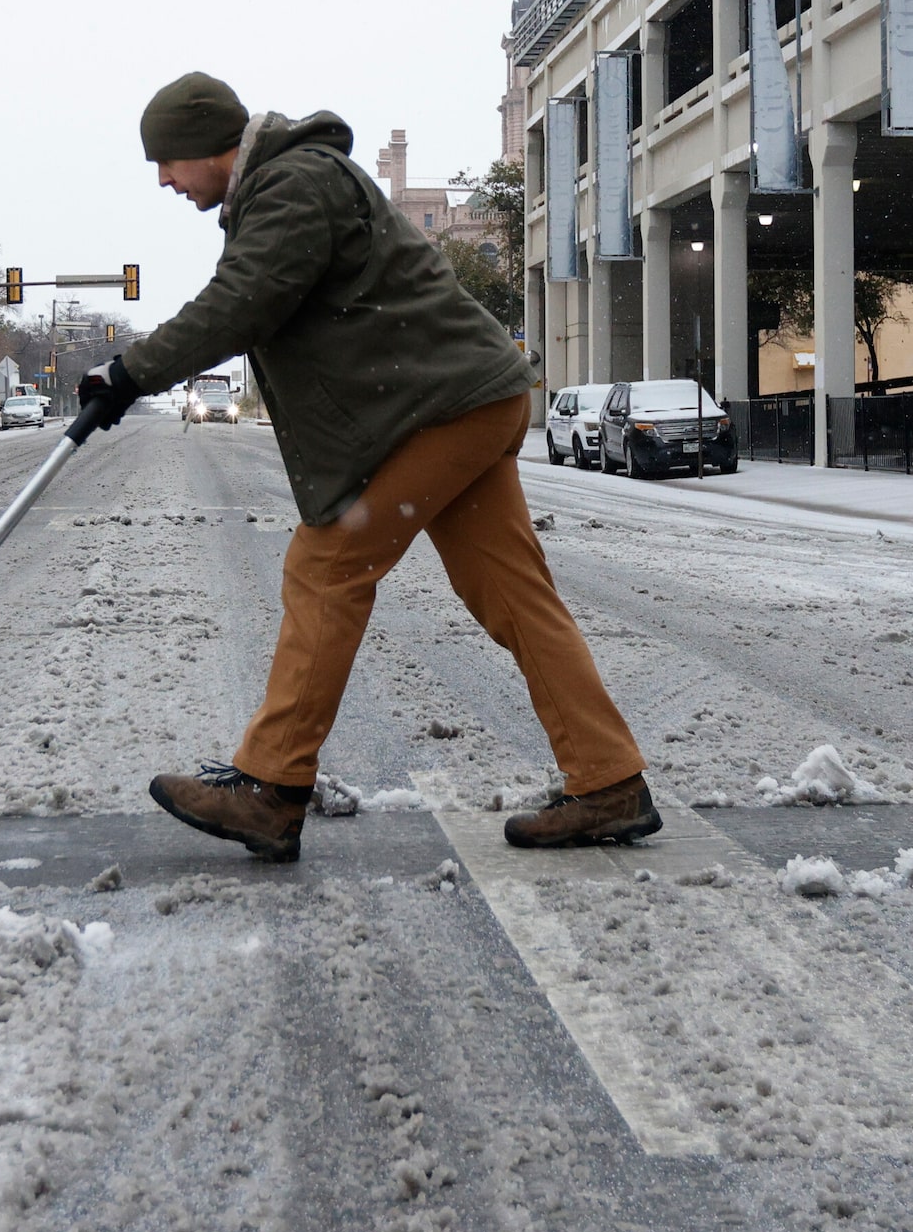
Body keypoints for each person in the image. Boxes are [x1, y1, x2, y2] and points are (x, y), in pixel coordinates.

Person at [81, 72, 656, 863]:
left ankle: (272, 789)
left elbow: (242, 301)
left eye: (168, 163)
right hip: (468, 398)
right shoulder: (291, 182)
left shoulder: (293, 185)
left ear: (207, 145)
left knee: (327, 568)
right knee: (513, 595)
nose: (163, 181)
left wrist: (131, 371)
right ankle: (608, 781)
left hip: (446, 406)